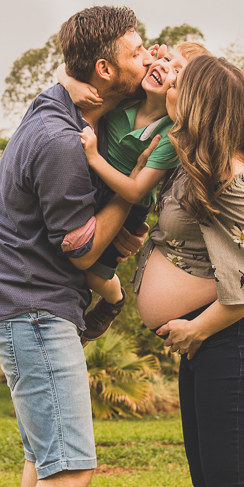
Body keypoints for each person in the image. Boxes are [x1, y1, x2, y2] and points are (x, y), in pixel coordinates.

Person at [0, 5, 154, 487]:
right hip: (33, 309)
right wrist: (136, 184)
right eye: (136, 51)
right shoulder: (60, 140)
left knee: (44, 458)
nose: (145, 58)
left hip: (20, 306)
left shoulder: (63, 108)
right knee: (71, 469)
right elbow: (80, 250)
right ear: (103, 69)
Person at [133, 53, 244, 487]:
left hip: (236, 342)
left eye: (181, 84)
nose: (170, 89)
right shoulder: (195, 165)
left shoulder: (230, 175)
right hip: (212, 345)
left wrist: (198, 330)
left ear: (202, 103)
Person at [57, 42, 212, 341]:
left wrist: (93, 158)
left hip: (129, 201)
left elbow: (135, 189)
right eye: (166, 58)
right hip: (95, 186)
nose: (165, 66)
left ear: (184, 94)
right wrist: (71, 84)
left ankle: (114, 298)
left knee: (90, 273)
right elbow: (63, 68)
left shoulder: (169, 134)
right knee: (63, 248)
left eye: (176, 71)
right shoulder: (130, 91)